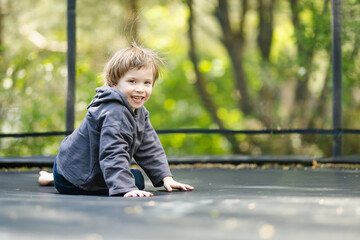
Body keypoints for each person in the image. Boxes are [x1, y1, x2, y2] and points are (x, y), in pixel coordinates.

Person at [38, 43, 194, 197]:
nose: (140, 88)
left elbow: (149, 145)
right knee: (136, 181)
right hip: (75, 178)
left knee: (131, 177)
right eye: (132, 81)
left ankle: (53, 176)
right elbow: (113, 152)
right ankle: (58, 178)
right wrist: (126, 188)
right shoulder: (115, 113)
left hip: (71, 165)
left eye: (147, 83)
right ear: (114, 83)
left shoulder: (139, 111)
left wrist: (166, 177)